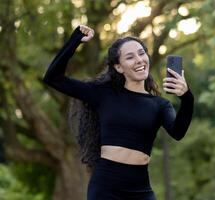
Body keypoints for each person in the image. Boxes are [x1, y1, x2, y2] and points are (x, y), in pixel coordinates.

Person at [43, 24, 194, 200]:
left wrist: (187, 97)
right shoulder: (103, 94)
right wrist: (75, 40)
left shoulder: (160, 105)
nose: (139, 60)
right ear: (118, 67)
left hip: (141, 189)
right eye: (130, 57)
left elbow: (178, 132)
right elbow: (53, 78)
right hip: (106, 186)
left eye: (141, 53)